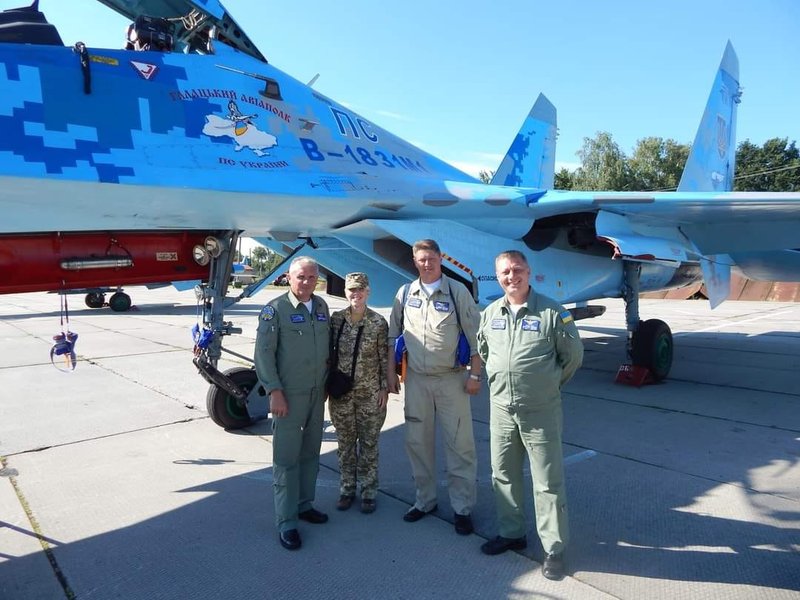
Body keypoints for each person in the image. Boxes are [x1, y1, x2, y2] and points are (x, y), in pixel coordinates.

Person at [477, 250, 584, 581]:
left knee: (547, 481)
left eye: (517, 269)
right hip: (501, 409)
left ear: (528, 271)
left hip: (540, 410)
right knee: (503, 474)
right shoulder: (490, 313)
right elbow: (484, 351)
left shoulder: (553, 312)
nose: (512, 276)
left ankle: (554, 548)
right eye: (505, 272)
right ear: (498, 277)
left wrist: (547, 385)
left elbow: (572, 357)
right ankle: (512, 533)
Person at [387, 239, 481, 535]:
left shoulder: (457, 291)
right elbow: (393, 336)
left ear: (441, 258)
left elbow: (476, 338)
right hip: (416, 380)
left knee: (460, 445)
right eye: (421, 259)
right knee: (417, 442)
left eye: (431, 258)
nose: (427, 264)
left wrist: (475, 376)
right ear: (415, 261)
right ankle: (424, 500)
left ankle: (462, 508)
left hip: (451, 379)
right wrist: (391, 373)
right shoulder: (405, 293)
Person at [254, 256, 331, 551]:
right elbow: (264, 354)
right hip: (288, 395)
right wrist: (274, 391)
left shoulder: (321, 307)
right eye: (301, 276)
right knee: (286, 458)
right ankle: (286, 521)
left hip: (316, 393)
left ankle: (304, 504)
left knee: (310, 452)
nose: (306, 282)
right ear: (289, 277)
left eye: (312, 277)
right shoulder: (275, 310)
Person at [328, 272, 389, 514]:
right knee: (345, 445)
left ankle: (368, 492)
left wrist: (384, 388)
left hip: (369, 394)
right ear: (345, 292)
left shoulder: (378, 322)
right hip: (341, 394)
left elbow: (384, 357)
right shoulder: (336, 320)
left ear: (368, 291)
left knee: (369, 444)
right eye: (352, 289)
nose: (356, 294)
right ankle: (347, 489)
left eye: (360, 289)